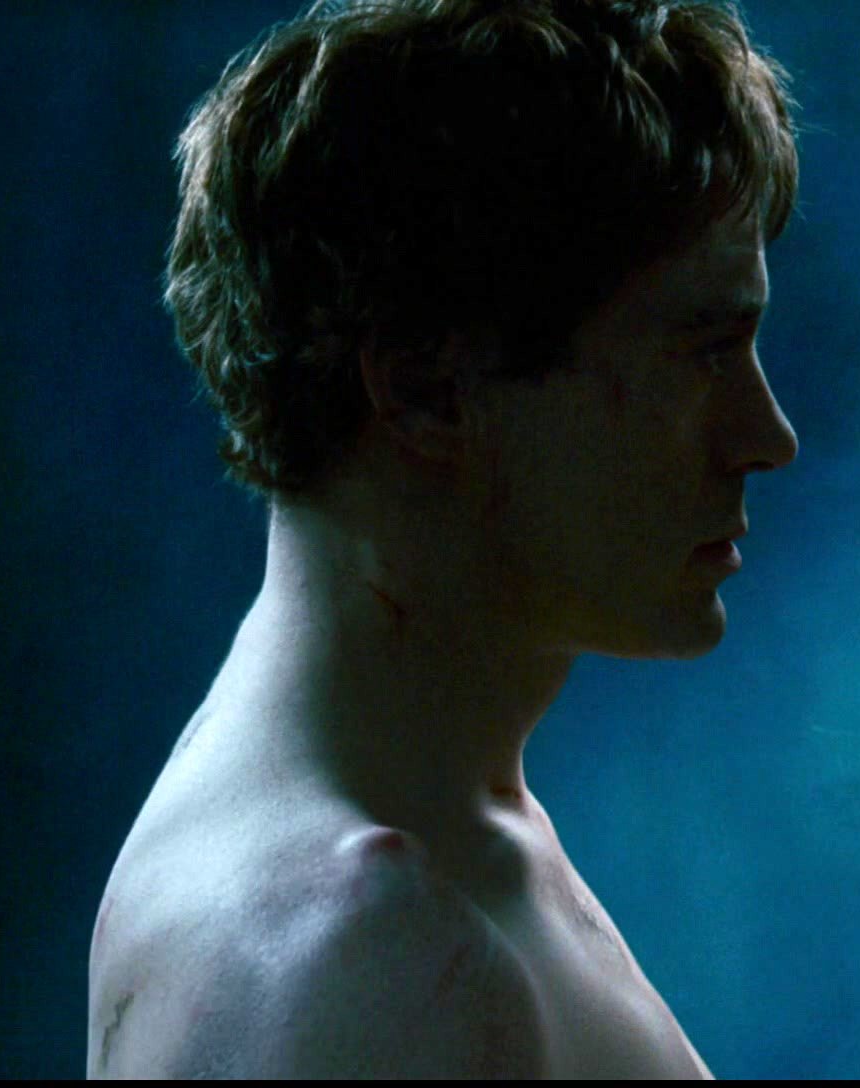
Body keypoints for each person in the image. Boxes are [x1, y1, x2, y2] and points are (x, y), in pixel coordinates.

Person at [86, 0, 796, 1077]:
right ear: (424, 391)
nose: (767, 436)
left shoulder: (438, 821)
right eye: (704, 351)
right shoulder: (368, 959)